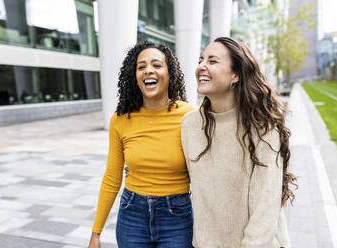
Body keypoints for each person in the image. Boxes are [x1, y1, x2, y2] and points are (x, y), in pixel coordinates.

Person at [181, 37, 296, 248]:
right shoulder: (189, 124)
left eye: (212, 61)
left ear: (235, 75)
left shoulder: (263, 126)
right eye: (200, 60)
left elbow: (266, 203)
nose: (201, 67)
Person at [88, 41, 195, 248]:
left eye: (156, 65)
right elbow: (111, 177)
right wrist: (96, 233)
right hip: (132, 215)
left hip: (177, 217)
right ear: (134, 76)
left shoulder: (189, 116)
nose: (148, 70)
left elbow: (204, 170)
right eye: (141, 67)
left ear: (169, 73)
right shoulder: (120, 119)